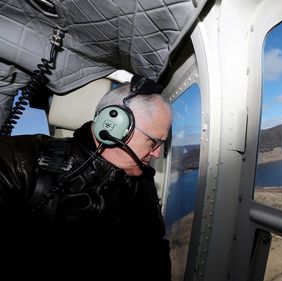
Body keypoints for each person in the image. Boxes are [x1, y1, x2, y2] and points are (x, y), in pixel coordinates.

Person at [0, 75, 172, 279]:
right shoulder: (19, 159)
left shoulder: (142, 184)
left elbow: (153, 253)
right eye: (154, 142)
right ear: (113, 127)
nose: (157, 154)